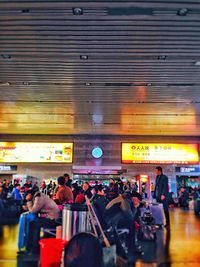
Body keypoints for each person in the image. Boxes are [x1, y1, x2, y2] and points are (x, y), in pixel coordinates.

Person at [24, 189, 60, 254]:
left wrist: (29, 200)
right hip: (50, 217)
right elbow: (33, 208)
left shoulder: (39, 197)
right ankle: (30, 247)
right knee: (32, 222)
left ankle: (34, 248)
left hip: (52, 219)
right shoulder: (38, 196)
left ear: (30, 195)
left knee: (34, 224)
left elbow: (33, 211)